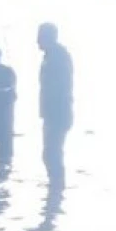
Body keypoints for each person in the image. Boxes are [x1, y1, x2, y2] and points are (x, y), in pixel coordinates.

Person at [37, 22, 73, 188]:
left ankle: (57, 185)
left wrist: (52, 111)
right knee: (51, 153)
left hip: (58, 113)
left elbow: (60, 86)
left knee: (51, 153)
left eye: (40, 36)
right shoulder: (51, 55)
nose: (36, 40)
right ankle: (55, 187)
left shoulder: (58, 56)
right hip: (53, 113)